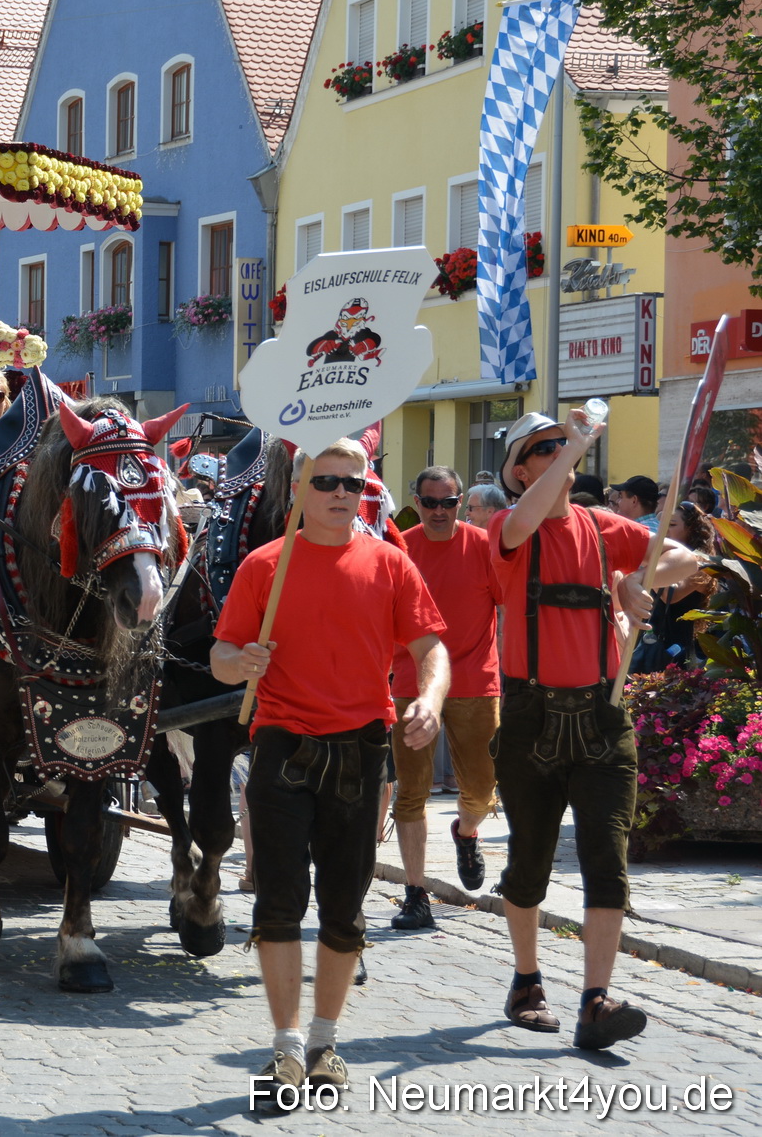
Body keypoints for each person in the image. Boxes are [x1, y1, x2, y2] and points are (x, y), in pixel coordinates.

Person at [211, 438, 448, 1110]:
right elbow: (221, 655)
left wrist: (430, 700)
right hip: (283, 747)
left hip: (361, 751)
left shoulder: (390, 563)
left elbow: (431, 647)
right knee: (279, 902)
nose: (341, 492)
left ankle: (324, 1042)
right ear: (299, 490)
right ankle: (286, 1046)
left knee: (345, 908)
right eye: (326, 482)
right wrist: (240, 662)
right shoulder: (265, 565)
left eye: (353, 482)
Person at [491, 409, 704, 1051]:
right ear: (519, 471)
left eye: (564, 443)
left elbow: (685, 558)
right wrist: (578, 442)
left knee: (607, 861)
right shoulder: (507, 526)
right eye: (544, 448)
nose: (561, 452)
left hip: (602, 716)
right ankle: (527, 980)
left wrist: (632, 580)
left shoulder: (601, 526)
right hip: (530, 717)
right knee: (529, 861)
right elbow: (524, 523)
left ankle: (595, 1001)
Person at [389, 466, 502, 931]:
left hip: (475, 680)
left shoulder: (484, 547)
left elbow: (512, 606)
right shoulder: (399, 548)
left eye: (449, 502)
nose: (439, 511)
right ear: (416, 502)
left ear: (461, 503)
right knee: (411, 792)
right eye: (430, 502)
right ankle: (416, 894)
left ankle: (466, 833)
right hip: (410, 684)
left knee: (481, 788)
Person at [632, 501, 717, 673]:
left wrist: (649, 565)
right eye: (662, 525)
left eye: (671, 525)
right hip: (652, 645)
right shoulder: (663, 560)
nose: (664, 531)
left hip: (679, 651)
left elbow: (671, 596)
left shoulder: (701, 563)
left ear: (691, 529)